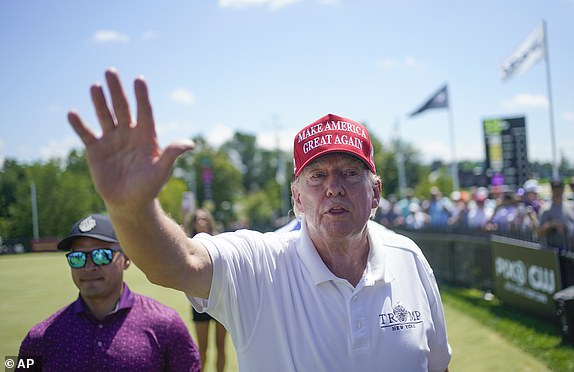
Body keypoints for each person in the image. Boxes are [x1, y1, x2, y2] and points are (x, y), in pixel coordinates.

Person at [67, 69, 451, 371]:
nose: (334, 187)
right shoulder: (259, 264)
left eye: (351, 172)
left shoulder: (409, 259)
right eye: (317, 176)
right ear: (296, 197)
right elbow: (177, 263)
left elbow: (437, 367)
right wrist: (131, 208)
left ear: (376, 193)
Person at [17, 214, 201, 372]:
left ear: (126, 258)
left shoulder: (167, 325)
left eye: (101, 255)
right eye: (77, 257)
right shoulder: (39, 337)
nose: (89, 267)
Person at [188, 208, 227, 372]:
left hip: (221, 299)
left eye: (204, 218)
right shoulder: (189, 243)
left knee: (220, 346)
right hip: (199, 299)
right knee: (202, 349)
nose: (201, 222)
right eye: (198, 219)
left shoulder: (220, 241)